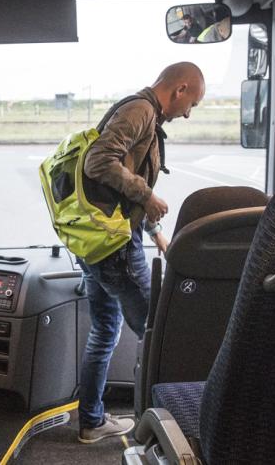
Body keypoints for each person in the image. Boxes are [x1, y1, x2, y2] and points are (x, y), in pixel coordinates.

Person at [76, 62, 206, 444]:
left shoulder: (140, 112)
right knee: (158, 333)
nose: (188, 113)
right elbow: (99, 161)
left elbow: (124, 185)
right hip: (116, 246)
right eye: (192, 103)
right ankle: (163, 430)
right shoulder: (141, 111)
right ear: (180, 89)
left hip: (98, 241)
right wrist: (148, 195)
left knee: (103, 331)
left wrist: (156, 233)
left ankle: (91, 422)